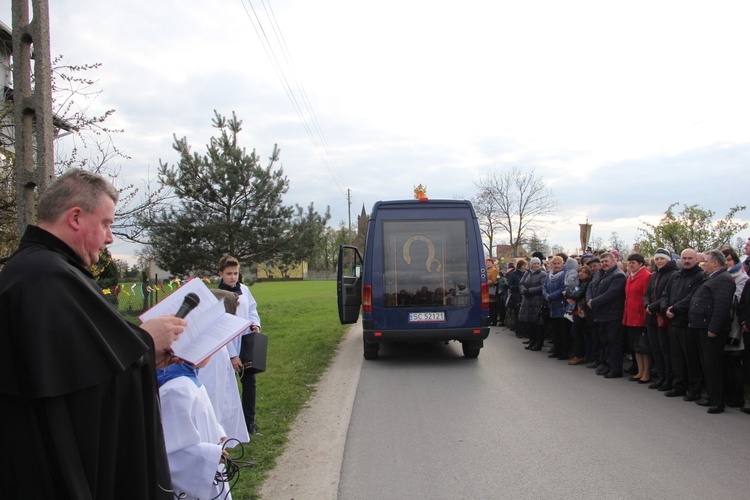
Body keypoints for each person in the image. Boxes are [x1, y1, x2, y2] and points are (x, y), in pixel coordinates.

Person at [0, 169, 186, 498]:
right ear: (75, 217)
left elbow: (79, 369)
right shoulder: (47, 278)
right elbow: (79, 397)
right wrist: (145, 344)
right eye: (106, 224)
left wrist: (141, 354)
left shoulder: (41, 271)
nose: (110, 237)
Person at [158, 356, 233, 499]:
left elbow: (196, 419)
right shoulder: (176, 390)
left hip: (207, 473)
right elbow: (168, 452)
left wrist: (215, 430)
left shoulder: (188, 380)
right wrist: (209, 456)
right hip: (190, 488)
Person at [197, 289, 251, 445]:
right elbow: (214, 394)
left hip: (220, 368)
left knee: (226, 405)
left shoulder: (216, 343)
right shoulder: (211, 348)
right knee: (217, 406)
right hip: (211, 392)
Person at [687, 250, 735, 414]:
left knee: (713, 366)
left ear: (715, 263)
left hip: (711, 330)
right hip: (701, 327)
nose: (703, 263)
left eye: (706, 261)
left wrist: (713, 329)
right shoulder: (713, 278)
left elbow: (721, 307)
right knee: (706, 365)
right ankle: (710, 396)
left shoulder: (723, 279)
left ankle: (717, 401)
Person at [219, 255, 263, 434]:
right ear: (221, 273)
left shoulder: (244, 289)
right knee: (228, 388)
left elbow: (252, 308)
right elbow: (220, 327)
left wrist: (255, 323)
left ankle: (249, 423)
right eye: (229, 273)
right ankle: (228, 426)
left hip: (246, 343)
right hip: (228, 346)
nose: (233, 277)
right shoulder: (218, 295)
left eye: (235, 273)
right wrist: (231, 354)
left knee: (250, 383)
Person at [661, 249, 706, 401]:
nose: (686, 261)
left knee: (690, 358)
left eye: (689, 258)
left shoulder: (700, 276)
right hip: (673, 321)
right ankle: (679, 386)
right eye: (684, 258)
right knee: (676, 356)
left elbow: (692, 297)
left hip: (687, 322)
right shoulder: (676, 275)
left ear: (695, 259)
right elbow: (666, 294)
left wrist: (674, 309)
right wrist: (665, 308)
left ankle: (694, 389)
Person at [643, 248, 679, 391]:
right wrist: (647, 305)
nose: (659, 261)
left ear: (668, 260)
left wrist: (653, 307)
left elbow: (668, 296)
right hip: (651, 316)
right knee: (655, 349)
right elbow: (648, 293)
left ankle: (669, 379)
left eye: (662, 259)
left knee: (665, 350)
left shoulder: (673, 274)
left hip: (663, 317)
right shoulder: (655, 274)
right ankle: (661, 376)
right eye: (657, 259)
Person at [587, 252, 627, 378]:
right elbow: (590, 287)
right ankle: (606, 364)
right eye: (602, 262)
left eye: (606, 261)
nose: (604, 264)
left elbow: (611, 294)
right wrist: (589, 300)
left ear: (613, 261)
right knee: (604, 341)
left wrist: (594, 302)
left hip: (612, 314)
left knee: (613, 342)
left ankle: (615, 369)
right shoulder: (600, 273)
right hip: (600, 313)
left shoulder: (618, 275)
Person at [721, 247, 747, 409]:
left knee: (734, 360)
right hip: (722, 323)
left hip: (735, 325)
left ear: (735, 261)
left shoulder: (741, 278)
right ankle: (728, 393)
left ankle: (738, 396)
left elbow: (737, 300)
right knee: (725, 361)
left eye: (729, 260)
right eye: (724, 260)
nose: (727, 263)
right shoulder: (721, 277)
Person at [623, 253, 652, 384]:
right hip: (630, 317)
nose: (630, 265)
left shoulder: (646, 276)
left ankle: (646, 372)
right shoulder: (630, 276)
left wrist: (645, 318)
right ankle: (639, 370)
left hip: (640, 317)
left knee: (643, 347)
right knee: (635, 347)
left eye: (633, 263)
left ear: (640, 264)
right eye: (629, 263)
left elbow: (646, 297)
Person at [543, 255, 571, 360]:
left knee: (563, 330)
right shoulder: (549, 275)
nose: (556, 265)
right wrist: (546, 295)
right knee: (555, 330)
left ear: (562, 264)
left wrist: (551, 297)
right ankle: (557, 349)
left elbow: (563, 288)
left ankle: (564, 351)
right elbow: (544, 287)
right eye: (554, 264)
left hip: (561, 305)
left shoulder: (565, 274)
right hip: (552, 306)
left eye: (558, 263)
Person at [519, 257, 547, 351]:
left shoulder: (543, 274)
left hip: (537, 300)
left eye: (537, 264)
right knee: (529, 322)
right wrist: (523, 291)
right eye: (534, 264)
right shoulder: (527, 273)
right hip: (527, 300)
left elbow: (542, 286)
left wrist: (530, 291)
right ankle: (531, 340)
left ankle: (538, 343)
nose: (536, 265)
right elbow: (521, 283)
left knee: (537, 323)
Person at [506, 260, 526, 334]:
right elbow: (510, 285)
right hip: (516, 296)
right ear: (519, 266)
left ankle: (524, 330)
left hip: (524, 295)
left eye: (525, 266)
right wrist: (519, 287)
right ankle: (518, 331)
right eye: (523, 266)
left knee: (524, 314)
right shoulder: (513, 274)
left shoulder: (526, 273)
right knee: (517, 313)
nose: (525, 267)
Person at [486, 258, 500, 326]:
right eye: (487, 262)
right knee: (489, 307)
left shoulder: (493, 270)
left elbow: (494, 280)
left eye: (489, 262)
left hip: (491, 290)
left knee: (492, 307)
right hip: (487, 290)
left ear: (492, 263)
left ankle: (493, 321)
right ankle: (490, 320)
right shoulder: (486, 270)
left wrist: (485, 282)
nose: (488, 263)